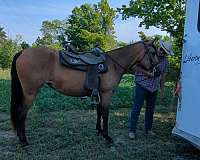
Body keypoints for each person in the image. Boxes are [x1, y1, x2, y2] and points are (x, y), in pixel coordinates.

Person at [128, 40, 175, 139]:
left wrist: (162, 89)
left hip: (153, 88)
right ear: (158, 47)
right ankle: (132, 131)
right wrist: (147, 73)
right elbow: (134, 66)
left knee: (150, 110)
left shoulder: (165, 61)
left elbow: (163, 76)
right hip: (141, 84)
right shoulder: (146, 54)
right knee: (137, 108)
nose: (162, 52)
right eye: (161, 49)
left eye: (165, 52)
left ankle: (148, 130)